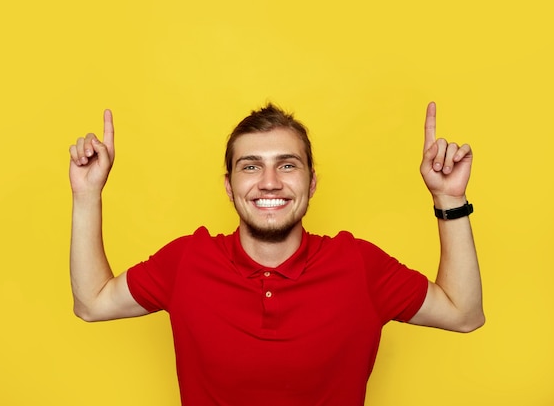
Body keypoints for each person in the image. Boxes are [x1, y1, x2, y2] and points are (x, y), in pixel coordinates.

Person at [68, 102, 484, 406]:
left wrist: (449, 197)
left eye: (287, 165)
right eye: (251, 167)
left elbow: (463, 314)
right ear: (229, 186)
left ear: (312, 182)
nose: (269, 182)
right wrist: (87, 195)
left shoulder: (359, 264)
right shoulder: (186, 261)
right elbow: (92, 303)